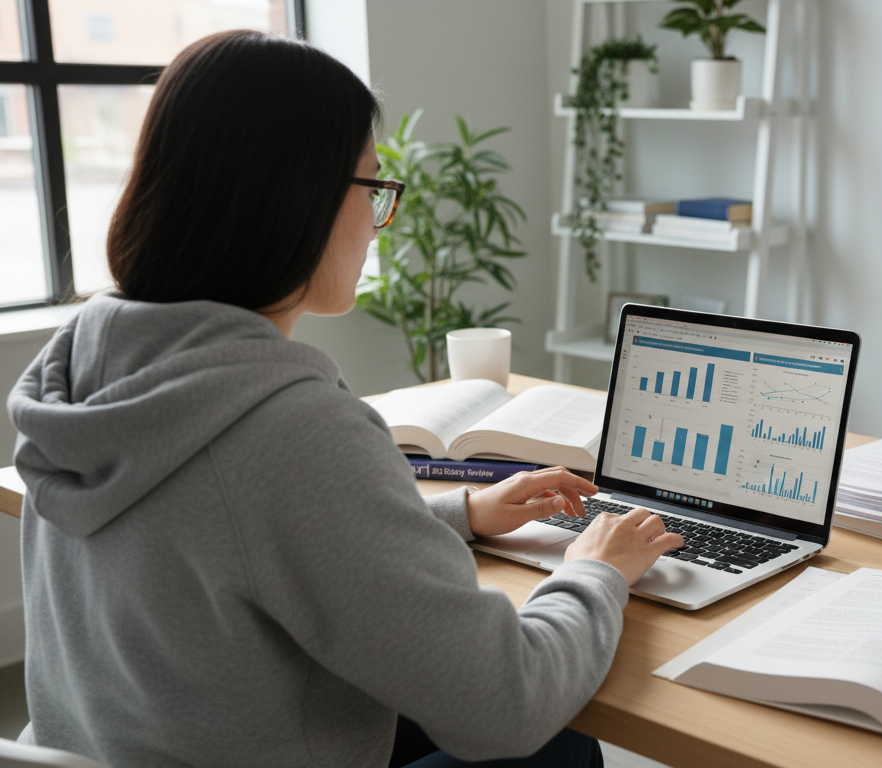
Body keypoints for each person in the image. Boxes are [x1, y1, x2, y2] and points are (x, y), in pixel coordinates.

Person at [5, 30, 682, 768]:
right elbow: (508, 705)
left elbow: (228, 532)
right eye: (374, 188)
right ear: (297, 199)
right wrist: (598, 569)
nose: (376, 222)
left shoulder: (86, 364)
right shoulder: (290, 428)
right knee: (557, 739)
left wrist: (459, 514)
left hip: (123, 744)